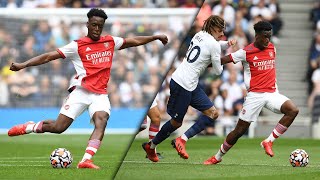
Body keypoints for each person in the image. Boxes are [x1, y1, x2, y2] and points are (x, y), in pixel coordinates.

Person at [7, 8, 168, 169]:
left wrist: (154, 37)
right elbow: (49, 56)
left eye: (100, 26)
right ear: (87, 25)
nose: (97, 29)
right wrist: (23, 65)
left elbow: (133, 41)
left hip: (100, 95)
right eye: (94, 25)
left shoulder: (110, 41)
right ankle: (30, 127)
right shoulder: (77, 45)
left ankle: (86, 160)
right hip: (81, 92)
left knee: (101, 121)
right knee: (58, 127)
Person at [203, 21, 299, 165]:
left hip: (272, 93)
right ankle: (217, 157)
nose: (268, 40)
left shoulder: (272, 48)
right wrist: (203, 62)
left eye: (269, 37)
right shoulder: (245, 52)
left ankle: (268, 141)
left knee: (293, 110)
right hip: (254, 96)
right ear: (257, 36)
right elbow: (222, 60)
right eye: (265, 37)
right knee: (239, 131)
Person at [142, 15, 236, 162]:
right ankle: (151, 146)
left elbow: (214, 44)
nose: (222, 34)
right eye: (220, 31)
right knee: (176, 122)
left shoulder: (199, 34)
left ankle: (182, 140)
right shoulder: (214, 45)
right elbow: (218, 71)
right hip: (183, 84)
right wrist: (228, 57)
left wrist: (226, 44)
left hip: (189, 83)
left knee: (213, 114)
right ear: (213, 28)